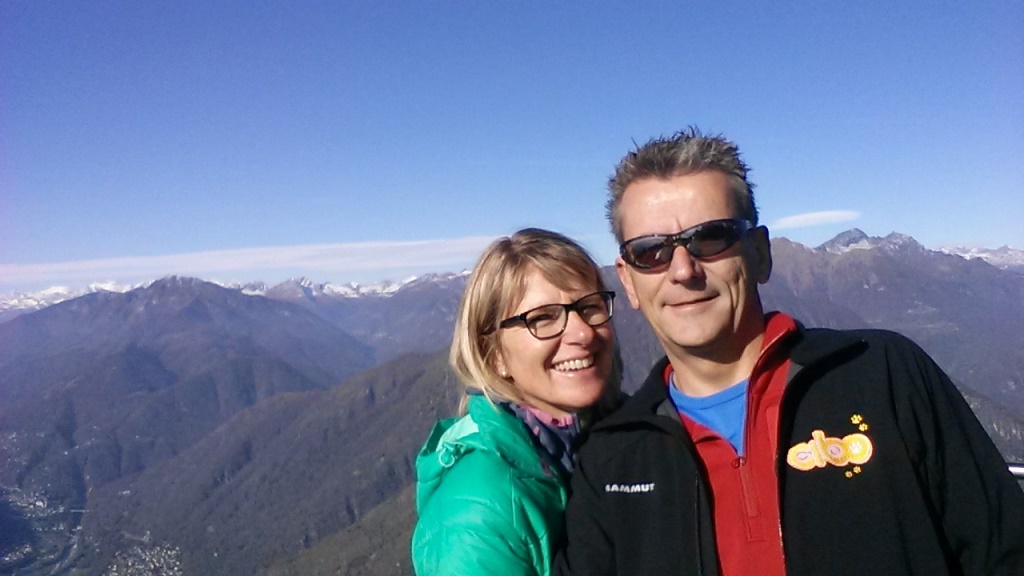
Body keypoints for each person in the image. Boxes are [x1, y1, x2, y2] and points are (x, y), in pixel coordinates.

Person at [554, 128, 1024, 576]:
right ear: (628, 281)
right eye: (650, 251)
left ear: (760, 253)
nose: (682, 270)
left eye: (711, 238)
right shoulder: (612, 456)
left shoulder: (884, 376)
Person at [411, 227, 622, 576]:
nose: (583, 332)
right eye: (543, 318)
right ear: (493, 354)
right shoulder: (476, 518)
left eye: (589, 307)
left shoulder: (629, 439)